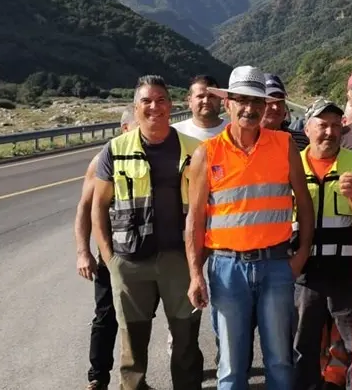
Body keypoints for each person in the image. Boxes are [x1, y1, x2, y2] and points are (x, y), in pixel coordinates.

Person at [184, 65, 316, 390]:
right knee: (231, 366)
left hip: (275, 266)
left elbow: (305, 202)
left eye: (257, 101)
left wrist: (299, 257)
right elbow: (195, 219)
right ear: (227, 103)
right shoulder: (207, 153)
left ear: (266, 105)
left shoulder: (284, 145)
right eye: (242, 100)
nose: (250, 108)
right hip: (227, 269)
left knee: (280, 361)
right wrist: (196, 274)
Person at [90, 75, 204, 390]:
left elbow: (208, 206)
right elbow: (98, 206)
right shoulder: (115, 149)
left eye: (161, 100)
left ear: (171, 105)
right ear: (136, 108)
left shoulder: (195, 150)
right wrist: (110, 260)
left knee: (186, 339)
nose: (155, 107)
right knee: (132, 345)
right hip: (130, 262)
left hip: (180, 260)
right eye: (147, 101)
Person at [293, 99, 352, 390]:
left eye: (336, 125)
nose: (329, 132)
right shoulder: (290, 164)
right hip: (304, 274)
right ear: (307, 128)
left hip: (345, 273)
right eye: (322, 125)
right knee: (302, 344)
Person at [75, 109, 135, 390]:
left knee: (138, 321)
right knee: (105, 316)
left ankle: (136, 379)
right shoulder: (103, 159)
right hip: (109, 258)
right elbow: (85, 208)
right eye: (137, 125)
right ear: (124, 127)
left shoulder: (155, 156)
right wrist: (83, 251)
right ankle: (98, 376)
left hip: (147, 257)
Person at [261, 73, 310, 151]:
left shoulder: (301, 141)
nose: (276, 107)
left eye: (280, 101)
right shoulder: (244, 141)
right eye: (269, 100)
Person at [172, 75, 229, 141]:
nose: (206, 101)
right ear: (190, 101)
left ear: (220, 100)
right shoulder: (174, 133)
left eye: (211, 96)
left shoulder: (235, 131)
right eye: (200, 96)